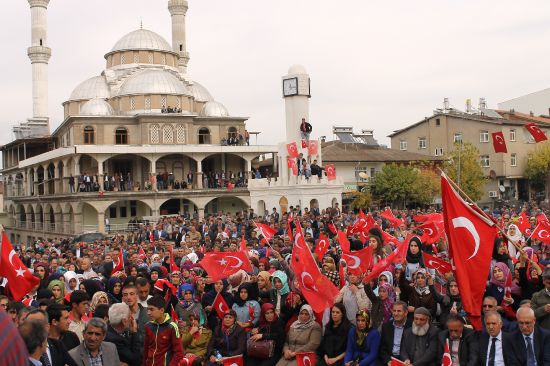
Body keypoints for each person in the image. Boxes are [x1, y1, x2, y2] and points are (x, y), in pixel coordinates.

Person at [143, 295, 184, 366]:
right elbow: (146, 350)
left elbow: (179, 353)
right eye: (148, 309)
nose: (148, 313)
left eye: (152, 309)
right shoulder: (148, 326)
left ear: (161, 310)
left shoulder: (172, 327)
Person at [378, 301, 411, 365]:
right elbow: (382, 349)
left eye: (399, 311)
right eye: (394, 311)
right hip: (390, 358)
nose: (395, 313)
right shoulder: (386, 326)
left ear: (406, 312)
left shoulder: (411, 326)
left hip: (406, 360)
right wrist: (388, 361)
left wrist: (407, 360)